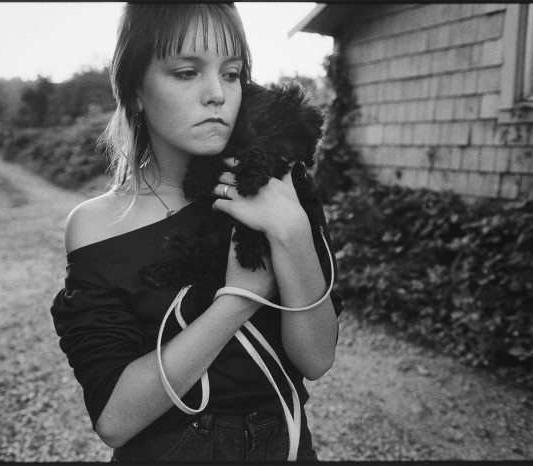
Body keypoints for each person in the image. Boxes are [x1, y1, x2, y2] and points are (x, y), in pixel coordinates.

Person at [50, 3, 341, 462]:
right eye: (187, 72)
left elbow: (317, 359)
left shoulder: (278, 186)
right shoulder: (97, 224)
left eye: (232, 73)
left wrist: (292, 231)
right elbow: (115, 420)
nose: (217, 94)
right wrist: (239, 300)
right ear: (135, 90)